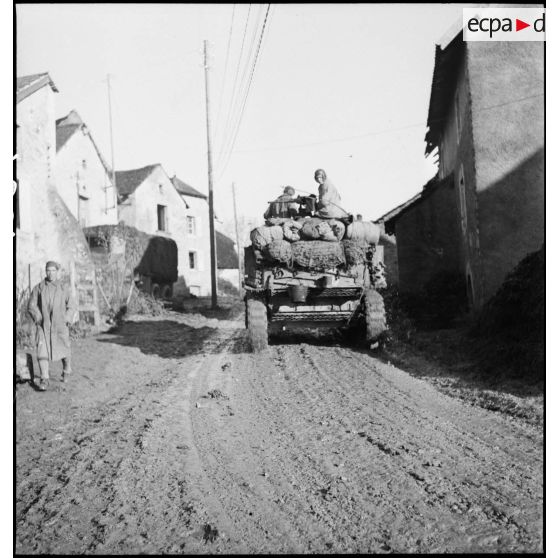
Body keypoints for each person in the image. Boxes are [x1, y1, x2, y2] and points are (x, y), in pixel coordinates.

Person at [28, 261, 77, 391]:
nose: (51, 273)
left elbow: (71, 305)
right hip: (44, 326)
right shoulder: (39, 288)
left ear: (57, 272)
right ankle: (44, 378)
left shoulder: (63, 288)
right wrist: (38, 318)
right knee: (42, 350)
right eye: (48, 270)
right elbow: (31, 305)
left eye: (53, 271)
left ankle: (67, 370)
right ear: (45, 272)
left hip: (60, 325)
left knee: (64, 348)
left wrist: (67, 318)